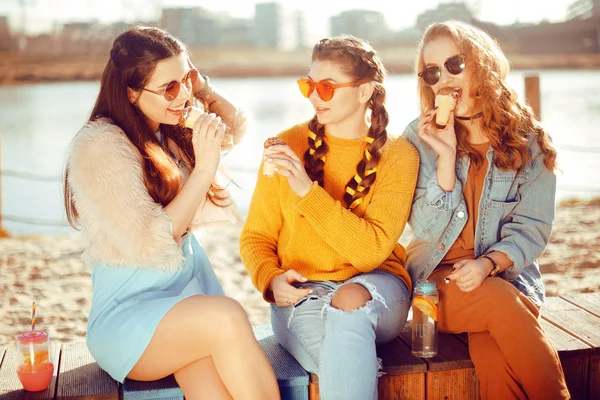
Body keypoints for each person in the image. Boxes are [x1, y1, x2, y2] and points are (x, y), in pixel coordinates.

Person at [63, 26, 280, 400]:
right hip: (130, 318)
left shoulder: (166, 125)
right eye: (169, 88)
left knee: (211, 381)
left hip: (185, 302)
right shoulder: (100, 147)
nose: (182, 96)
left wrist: (201, 86)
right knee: (227, 317)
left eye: (186, 80)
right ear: (131, 92)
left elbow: (231, 129)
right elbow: (152, 242)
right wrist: (204, 169)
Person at [239, 35, 419, 400]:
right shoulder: (286, 144)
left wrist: (308, 190)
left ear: (365, 90)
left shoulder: (400, 154)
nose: (313, 97)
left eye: (326, 87)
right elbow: (256, 236)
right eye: (308, 85)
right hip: (304, 296)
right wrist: (271, 279)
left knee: (349, 305)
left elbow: (370, 251)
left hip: (378, 287)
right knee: (346, 360)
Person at [403, 21, 570, 399]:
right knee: (499, 304)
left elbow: (533, 228)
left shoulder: (528, 139)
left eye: (453, 65)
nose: (442, 79)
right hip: (435, 289)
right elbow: (425, 229)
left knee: (494, 361)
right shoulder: (417, 138)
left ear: (481, 62)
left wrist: (487, 265)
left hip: (503, 278)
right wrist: (445, 159)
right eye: (432, 72)